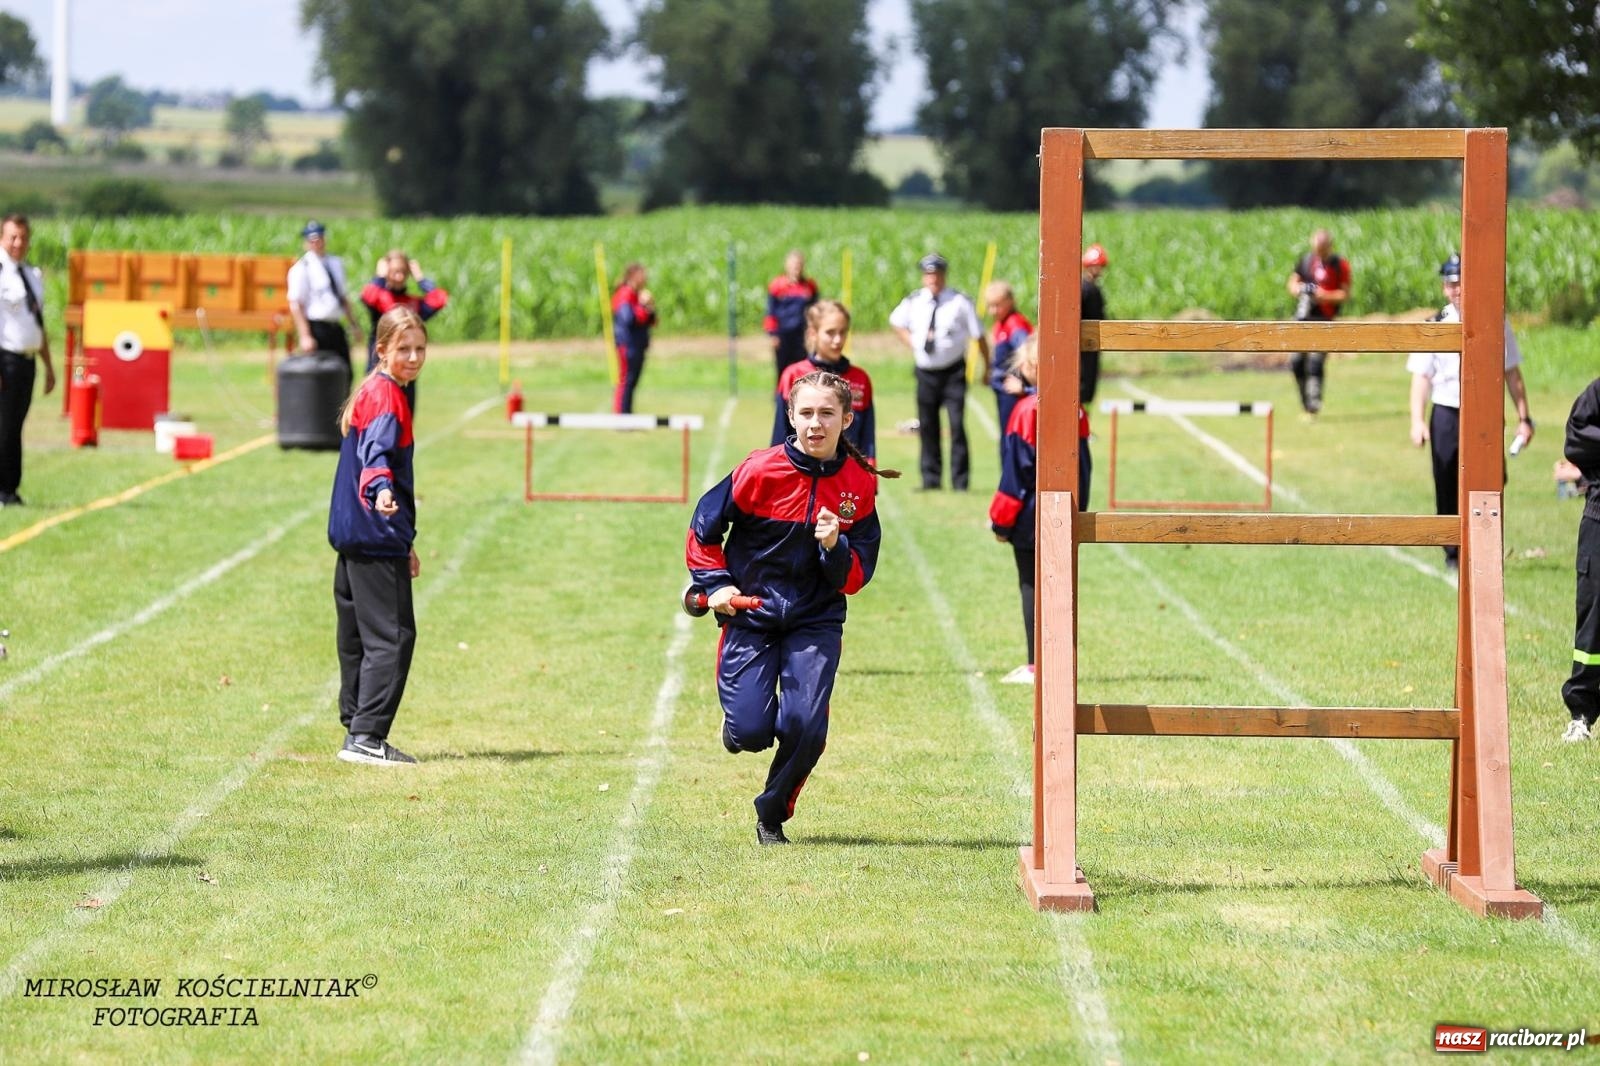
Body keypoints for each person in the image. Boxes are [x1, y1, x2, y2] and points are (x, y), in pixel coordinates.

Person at [687, 371, 897, 844]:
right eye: (806, 413)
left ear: (847, 419)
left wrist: (834, 546)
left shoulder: (858, 485)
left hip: (816, 618)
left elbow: (858, 575)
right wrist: (716, 584)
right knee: (751, 731)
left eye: (827, 414)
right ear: (790, 416)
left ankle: (772, 814)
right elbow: (703, 528)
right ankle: (745, 723)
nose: (815, 424)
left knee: (806, 725)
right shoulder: (759, 470)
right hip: (752, 613)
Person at [329, 306, 428, 766]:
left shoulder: (370, 389)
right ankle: (367, 736)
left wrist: (405, 542)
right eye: (403, 349)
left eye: (419, 349)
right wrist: (383, 490)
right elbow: (376, 456)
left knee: (358, 637)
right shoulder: (388, 398)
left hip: (352, 536)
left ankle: (356, 725)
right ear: (381, 350)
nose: (412, 357)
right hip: (373, 533)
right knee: (393, 637)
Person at [1407, 253, 1534, 570]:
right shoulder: (1436, 324)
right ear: (1444, 288)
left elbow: (1512, 373)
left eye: (1462, 282)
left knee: (1490, 477)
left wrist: (1524, 417)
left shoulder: (1496, 321)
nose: (1457, 290)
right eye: (1451, 284)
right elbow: (1421, 377)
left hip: (1483, 411)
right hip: (1447, 411)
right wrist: (1416, 420)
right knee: (1446, 475)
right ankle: (1452, 552)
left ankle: (1486, 548)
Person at [989, 337, 1091, 685]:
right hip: (1067, 509)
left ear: (1030, 367)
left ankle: (1036, 665)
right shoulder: (1076, 408)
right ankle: (1061, 661)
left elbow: (1016, 472)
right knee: (1061, 588)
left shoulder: (1025, 410)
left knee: (1031, 584)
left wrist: (1000, 520)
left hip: (1030, 515)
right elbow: (1085, 467)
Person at [889, 253, 988, 490]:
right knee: (928, 426)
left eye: (937, 274)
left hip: (952, 371)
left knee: (956, 425)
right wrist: (912, 342)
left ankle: (960, 480)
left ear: (944, 275)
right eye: (929, 274)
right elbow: (896, 321)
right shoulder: (914, 301)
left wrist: (988, 365)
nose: (933, 279)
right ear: (924, 277)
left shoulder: (959, 302)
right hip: (926, 372)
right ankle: (931, 479)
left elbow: (979, 335)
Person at [770, 300, 876, 460]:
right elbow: (780, 436)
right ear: (813, 333)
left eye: (843, 332)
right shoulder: (793, 375)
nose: (838, 340)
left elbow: (867, 440)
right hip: (802, 477)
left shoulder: (860, 378)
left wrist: (870, 477)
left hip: (848, 479)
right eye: (830, 332)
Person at [0, 213, 56, 508]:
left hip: (27, 361)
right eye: (12, 237)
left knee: (16, 425)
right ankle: (3, 490)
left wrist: (48, 366)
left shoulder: (31, 275)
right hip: (5, 360)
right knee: (4, 426)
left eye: (23, 237)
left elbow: (37, 324)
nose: (18, 243)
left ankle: (11, 488)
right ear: (2, 238)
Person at [1560, 375, 1600, 742]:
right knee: (1593, 621)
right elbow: (1575, 439)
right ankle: (1581, 714)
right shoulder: (1597, 392)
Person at [287, 219, 364, 386]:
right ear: (306, 243)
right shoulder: (302, 268)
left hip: (335, 324)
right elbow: (296, 304)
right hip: (316, 326)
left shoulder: (335, 263)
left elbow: (343, 297)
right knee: (319, 375)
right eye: (312, 240)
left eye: (319, 238)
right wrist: (305, 335)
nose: (316, 243)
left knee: (345, 372)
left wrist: (354, 324)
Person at [1285, 228, 1351, 415]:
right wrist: (1300, 289)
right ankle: (1304, 402)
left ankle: (1315, 403)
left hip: (1324, 318)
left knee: (1315, 361)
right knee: (1297, 361)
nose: (1318, 252)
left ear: (1329, 246)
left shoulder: (1340, 265)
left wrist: (1323, 296)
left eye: (1322, 249)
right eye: (1316, 248)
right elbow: (1291, 284)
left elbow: (1345, 294)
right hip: (1302, 317)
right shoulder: (1306, 261)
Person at [984, 281, 1032, 439]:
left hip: (1013, 396)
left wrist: (1024, 385)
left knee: (1011, 440)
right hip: (1002, 392)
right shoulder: (1001, 324)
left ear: (1010, 302)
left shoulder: (1015, 325)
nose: (993, 311)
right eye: (990, 306)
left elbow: (1029, 355)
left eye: (997, 305)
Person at [763, 250, 818, 379]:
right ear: (787, 266)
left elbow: (815, 311)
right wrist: (773, 334)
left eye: (799, 265)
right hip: (783, 335)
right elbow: (771, 311)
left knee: (803, 369)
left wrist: (814, 331)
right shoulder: (777, 285)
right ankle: (781, 398)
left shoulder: (809, 286)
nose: (796, 268)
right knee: (782, 371)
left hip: (802, 335)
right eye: (793, 265)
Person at [612, 262, 656, 414]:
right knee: (626, 380)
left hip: (638, 345)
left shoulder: (638, 295)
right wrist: (643, 308)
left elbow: (653, 320)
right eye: (642, 274)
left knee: (632, 382)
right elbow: (628, 319)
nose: (646, 277)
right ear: (633, 276)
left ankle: (627, 415)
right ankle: (621, 415)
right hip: (627, 344)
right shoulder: (625, 294)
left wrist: (649, 306)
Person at [1080, 243, 1109, 404]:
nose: (1099, 270)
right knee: (1084, 385)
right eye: (1095, 266)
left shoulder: (1092, 288)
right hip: (1086, 346)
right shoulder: (1086, 289)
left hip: (1093, 344)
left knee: (1089, 387)